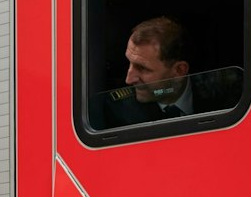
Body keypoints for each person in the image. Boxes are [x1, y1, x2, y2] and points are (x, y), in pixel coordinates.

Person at [96, 16, 237, 128]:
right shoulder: (120, 111)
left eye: (143, 68)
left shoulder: (223, 92)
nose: (129, 79)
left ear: (179, 70)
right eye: (130, 63)